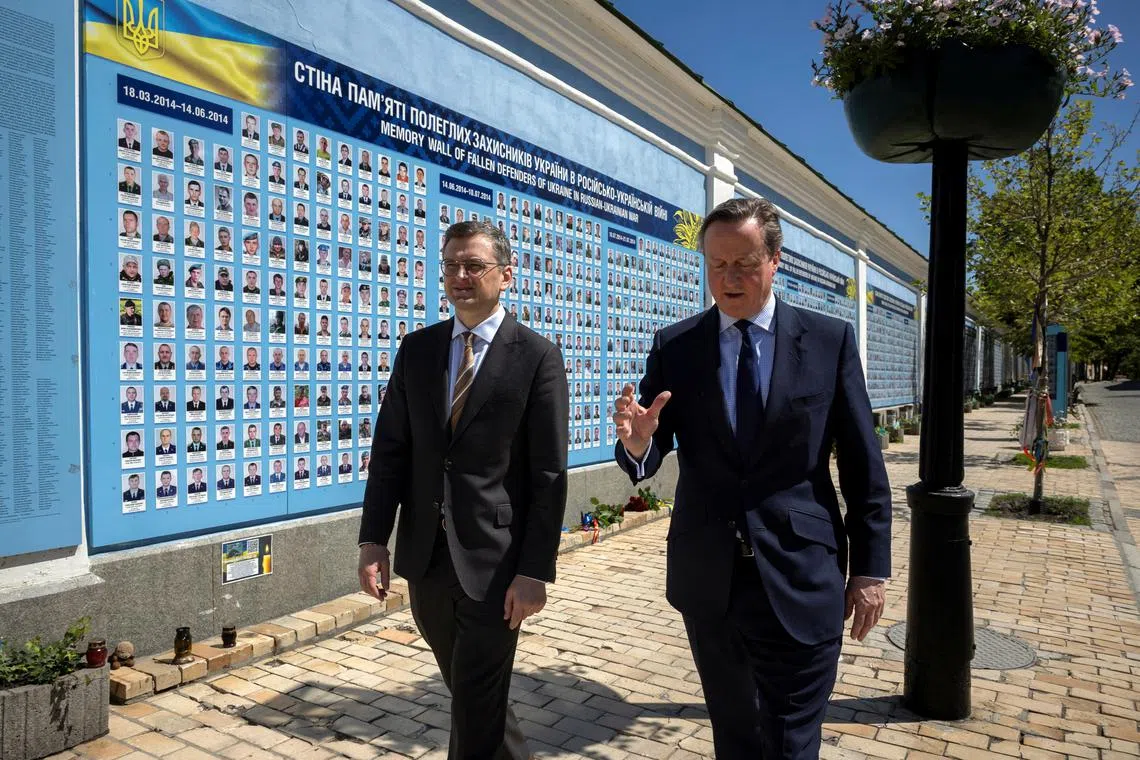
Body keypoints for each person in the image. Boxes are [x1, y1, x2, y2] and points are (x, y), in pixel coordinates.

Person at [610, 198, 891, 760]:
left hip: (800, 571)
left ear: (775, 260)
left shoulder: (829, 341)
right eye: (717, 265)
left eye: (743, 263)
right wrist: (639, 445)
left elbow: (863, 463)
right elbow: (653, 441)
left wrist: (869, 569)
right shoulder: (677, 346)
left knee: (789, 742)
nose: (729, 278)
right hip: (710, 579)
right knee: (735, 738)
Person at [358, 220, 568, 760]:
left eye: (473, 265)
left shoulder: (537, 357)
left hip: (497, 566)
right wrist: (373, 539)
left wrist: (534, 570)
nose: (459, 276)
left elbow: (547, 474)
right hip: (426, 558)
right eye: (450, 264)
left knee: (475, 702)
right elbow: (390, 452)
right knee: (474, 690)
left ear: (506, 274)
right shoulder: (418, 350)